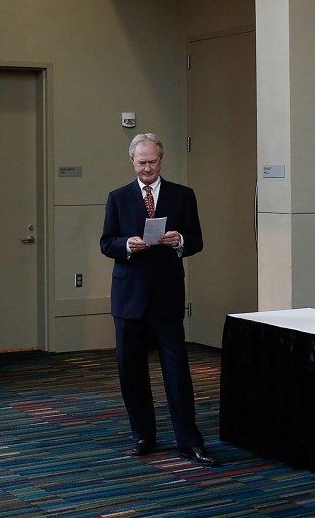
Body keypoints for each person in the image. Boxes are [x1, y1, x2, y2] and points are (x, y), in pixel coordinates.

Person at [100, 133, 218, 467]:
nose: (147, 168)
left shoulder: (182, 195)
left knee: (177, 370)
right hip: (129, 297)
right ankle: (143, 435)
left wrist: (179, 239)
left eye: (152, 162)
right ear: (132, 161)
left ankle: (189, 441)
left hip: (166, 295)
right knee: (131, 371)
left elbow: (196, 240)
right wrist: (127, 245)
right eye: (141, 163)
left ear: (161, 160)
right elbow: (106, 242)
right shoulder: (118, 197)